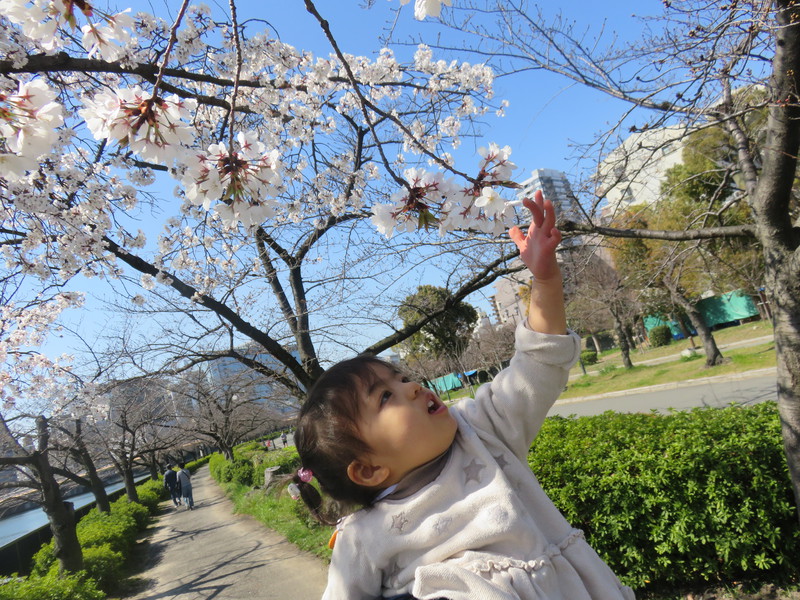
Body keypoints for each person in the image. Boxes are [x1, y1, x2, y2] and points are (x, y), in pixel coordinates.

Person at [292, 191, 635, 600]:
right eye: (384, 397)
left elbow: (538, 363)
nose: (413, 387)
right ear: (368, 471)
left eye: (400, 378)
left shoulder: (483, 430)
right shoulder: (362, 539)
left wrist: (544, 281)